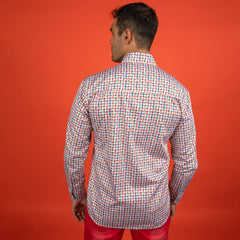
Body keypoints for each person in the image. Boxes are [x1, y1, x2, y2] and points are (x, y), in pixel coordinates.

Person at [63, 2, 198, 240]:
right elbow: (187, 164)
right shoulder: (179, 93)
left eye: (112, 33)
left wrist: (79, 194)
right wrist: (171, 199)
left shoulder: (91, 87)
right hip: (153, 209)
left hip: (103, 207)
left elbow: (73, 153)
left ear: (127, 35)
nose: (110, 41)